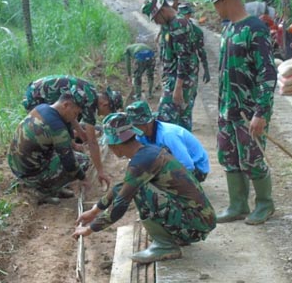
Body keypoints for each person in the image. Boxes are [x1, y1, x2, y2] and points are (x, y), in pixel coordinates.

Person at [72, 112, 216, 263]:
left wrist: (90, 229)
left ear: (115, 145)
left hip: (196, 223)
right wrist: (95, 210)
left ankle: (165, 246)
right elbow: (122, 187)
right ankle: (170, 238)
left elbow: (120, 204)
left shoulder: (142, 161)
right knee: (134, 187)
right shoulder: (148, 152)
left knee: (139, 190)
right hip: (199, 219)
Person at [208, 0, 277, 225]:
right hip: (228, 109)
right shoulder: (228, 29)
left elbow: (268, 73)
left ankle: (265, 204)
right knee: (228, 156)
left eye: (215, 3)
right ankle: (237, 204)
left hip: (250, 110)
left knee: (253, 158)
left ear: (225, 0)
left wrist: (261, 112)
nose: (214, 9)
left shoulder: (255, 29)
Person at [22, 75, 124, 189]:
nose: (103, 115)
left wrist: (80, 132)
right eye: (108, 112)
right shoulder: (90, 103)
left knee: (64, 129)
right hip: (36, 97)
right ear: (105, 104)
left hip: (38, 92)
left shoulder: (90, 93)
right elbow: (92, 142)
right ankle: (48, 175)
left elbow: (71, 114)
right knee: (50, 137)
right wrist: (100, 171)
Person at [8, 90, 90, 204]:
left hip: (17, 165)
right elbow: (69, 162)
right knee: (83, 161)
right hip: (31, 173)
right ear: (65, 105)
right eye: (75, 113)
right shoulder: (57, 127)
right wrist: (83, 178)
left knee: (62, 153)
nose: (75, 117)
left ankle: (54, 187)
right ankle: (43, 191)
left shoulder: (43, 108)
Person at [141, 0, 199, 132]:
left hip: (179, 81)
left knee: (164, 122)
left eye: (155, 18)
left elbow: (184, 58)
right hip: (179, 79)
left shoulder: (178, 24)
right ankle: (184, 151)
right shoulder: (171, 24)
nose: (156, 22)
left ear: (162, 10)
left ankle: (168, 152)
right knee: (183, 121)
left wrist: (178, 87)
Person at [126, 100, 210, 182]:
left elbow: (188, 165)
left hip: (197, 169)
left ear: (148, 123)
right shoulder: (141, 134)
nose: (134, 129)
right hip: (179, 164)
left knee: (155, 178)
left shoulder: (168, 135)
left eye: (136, 125)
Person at [178, 3, 211, 85]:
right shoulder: (172, 30)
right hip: (176, 67)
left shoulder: (196, 31)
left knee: (190, 94)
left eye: (185, 15)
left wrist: (206, 70)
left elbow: (201, 51)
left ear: (189, 15)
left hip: (190, 67)